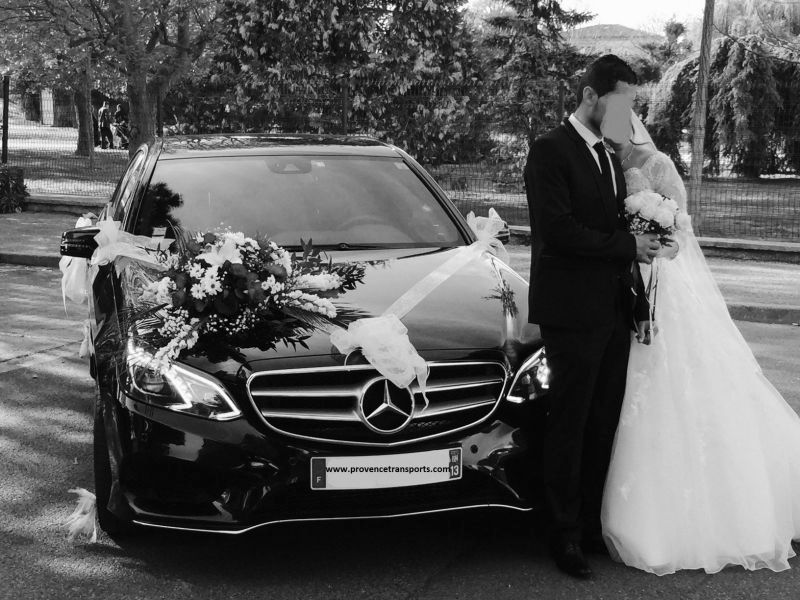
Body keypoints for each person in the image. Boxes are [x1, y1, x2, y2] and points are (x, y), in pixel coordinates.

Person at [601, 112, 800, 575]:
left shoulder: (657, 164)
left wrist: (656, 247)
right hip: (620, 283)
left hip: (662, 285)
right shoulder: (603, 165)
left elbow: (681, 232)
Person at [524, 54, 660, 579]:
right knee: (570, 423)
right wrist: (628, 246)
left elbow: (618, 235)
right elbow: (559, 231)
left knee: (603, 422)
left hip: (611, 311)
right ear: (589, 96)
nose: (627, 114)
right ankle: (562, 534)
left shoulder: (608, 155)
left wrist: (638, 304)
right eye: (621, 102)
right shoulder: (550, 151)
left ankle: (588, 525)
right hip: (571, 312)